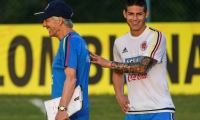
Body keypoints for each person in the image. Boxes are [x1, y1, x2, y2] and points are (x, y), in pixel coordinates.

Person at [90, 0, 175, 119]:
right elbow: (118, 71)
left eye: (139, 14)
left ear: (147, 13)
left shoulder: (156, 36)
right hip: (133, 111)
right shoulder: (120, 42)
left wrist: (108, 63)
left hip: (160, 109)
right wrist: (119, 95)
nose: (134, 18)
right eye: (131, 14)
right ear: (125, 14)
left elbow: (141, 67)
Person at [34, 0, 90, 120]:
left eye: (47, 20)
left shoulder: (69, 41)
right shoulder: (78, 40)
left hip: (69, 113)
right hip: (76, 111)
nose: (44, 24)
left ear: (59, 20)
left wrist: (62, 109)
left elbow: (71, 78)